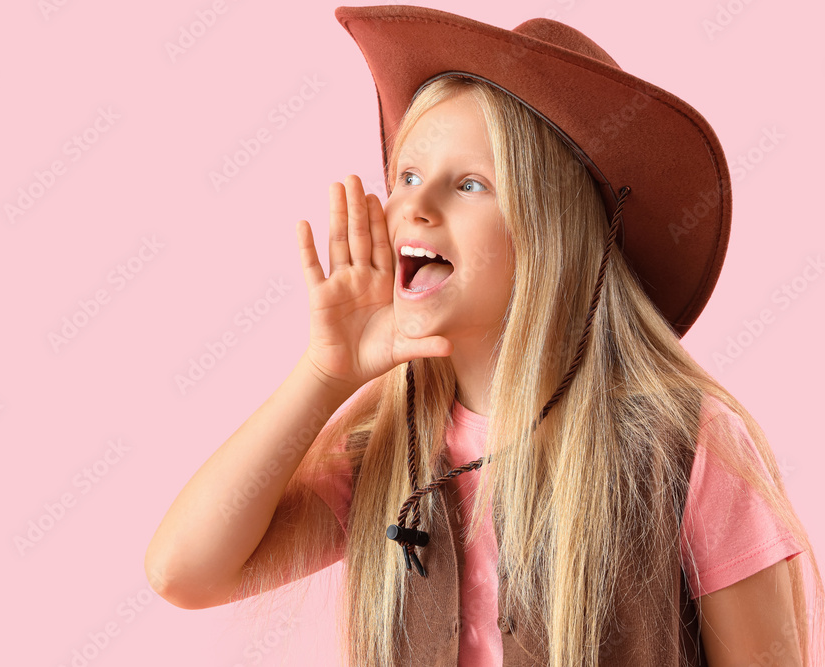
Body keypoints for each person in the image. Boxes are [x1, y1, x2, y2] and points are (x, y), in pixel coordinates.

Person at [145, 5, 824, 665]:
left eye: (469, 184)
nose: (415, 202)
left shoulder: (685, 443)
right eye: (408, 176)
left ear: (552, 234)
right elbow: (183, 570)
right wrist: (324, 374)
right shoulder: (391, 441)